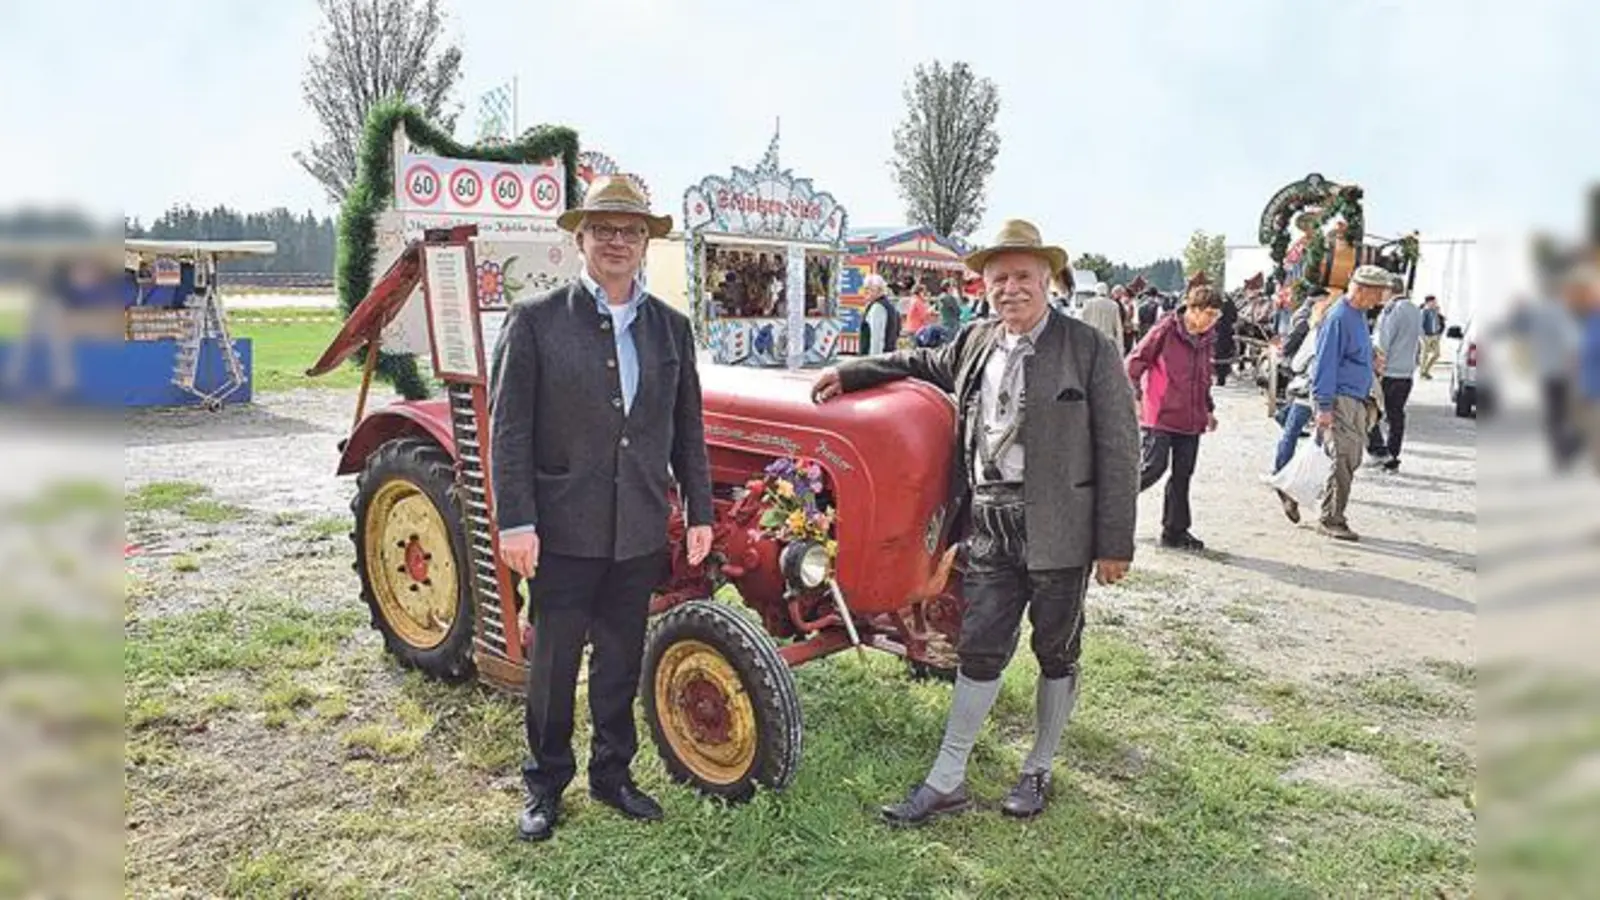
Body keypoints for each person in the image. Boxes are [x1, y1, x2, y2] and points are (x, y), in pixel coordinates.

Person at [811, 219, 1138, 825]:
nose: (1010, 289)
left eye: (1023, 277)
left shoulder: (1089, 348)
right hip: (989, 520)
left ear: (1048, 279)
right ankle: (947, 780)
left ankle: (1038, 767)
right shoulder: (976, 340)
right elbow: (919, 360)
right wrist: (853, 372)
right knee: (978, 647)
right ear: (984, 286)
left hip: (1060, 527)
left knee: (1056, 648)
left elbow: (1120, 449)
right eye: (998, 279)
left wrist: (1115, 543)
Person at [489, 176, 715, 842]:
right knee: (554, 666)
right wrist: (516, 522)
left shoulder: (671, 327)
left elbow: (687, 428)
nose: (618, 241)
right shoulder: (535, 320)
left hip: (639, 527)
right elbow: (509, 430)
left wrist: (699, 511)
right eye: (605, 229)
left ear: (646, 243)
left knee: (620, 660)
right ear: (581, 238)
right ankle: (545, 783)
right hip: (561, 528)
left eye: (631, 231)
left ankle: (612, 775)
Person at [1126, 283, 1221, 551]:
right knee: (1152, 468)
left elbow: (1203, 376)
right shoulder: (1165, 329)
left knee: (1183, 474)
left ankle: (1175, 531)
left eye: (1216, 316)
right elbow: (1134, 362)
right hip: (1160, 413)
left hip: (1191, 417)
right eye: (1209, 314)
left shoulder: (1207, 338)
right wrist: (1134, 396)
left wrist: (1208, 409)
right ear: (1193, 309)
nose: (1212, 321)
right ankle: (1107, 508)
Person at [1310, 265, 1388, 541]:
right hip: (1339, 397)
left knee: (1345, 457)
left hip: (1355, 397)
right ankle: (1331, 518)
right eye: (1377, 293)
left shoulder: (1358, 314)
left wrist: (1372, 358)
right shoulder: (1339, 318)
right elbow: (1325, 363)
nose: (1379, 300)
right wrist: (1324, 406)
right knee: (1345, 457)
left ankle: (1294, 490)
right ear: (1362, 290)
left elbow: (1353, 352)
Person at [1271, 290, 1336, 523]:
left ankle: (1282, 476)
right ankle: (1314, 486)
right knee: (1323, 443)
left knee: (1291, 433)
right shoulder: (1344, 333)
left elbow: (1297, 363)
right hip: (1335, 395)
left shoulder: (1316, 331)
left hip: (1308, 391)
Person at [1366, 276, 1423, 470]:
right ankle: (1392, 454)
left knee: (1369, 411)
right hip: (1406, 371)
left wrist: (1375, 363)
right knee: (1396, 415)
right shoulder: (1415, 309)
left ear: (1389, 290)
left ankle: (1379, 452)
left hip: (1389, 370)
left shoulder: (1391, 310)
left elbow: (1383, 342)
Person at [858, 274, 902, 355]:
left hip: (877, 357)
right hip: (888, 354)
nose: (865, 292)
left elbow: (876, 338)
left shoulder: (877, 307)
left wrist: (875, 359)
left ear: (877, 290)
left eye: (868, 289)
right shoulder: (889, 306)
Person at [1079, 282, 1125, 348]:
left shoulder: (1087, 303)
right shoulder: (1114, 305)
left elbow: (1081, 321)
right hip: (1108, 340)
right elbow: (1118, 327)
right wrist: (1120, 346)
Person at [1213, 290, 1238, 386]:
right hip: (1227, 332)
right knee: (1225, 354)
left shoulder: (1213, 301)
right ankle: (1221, 377)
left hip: (1217, 331)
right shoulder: (1230, 302)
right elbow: (1234, 317)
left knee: (1217, 354)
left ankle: (1219, 377)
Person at [1419, 295, 1447, 378]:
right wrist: (1422, 336)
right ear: (1428, 302)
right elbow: (1420, 325)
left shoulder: (1434, 311)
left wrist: (1438, 334)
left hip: (1435, 335)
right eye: (1433, 302)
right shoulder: (1424, 312)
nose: (1435, 303)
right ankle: (1422, 372)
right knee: (1424, 355)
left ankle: (1426, 370)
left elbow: (1437, 322)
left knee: (1437, 354)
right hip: (1426, 336)